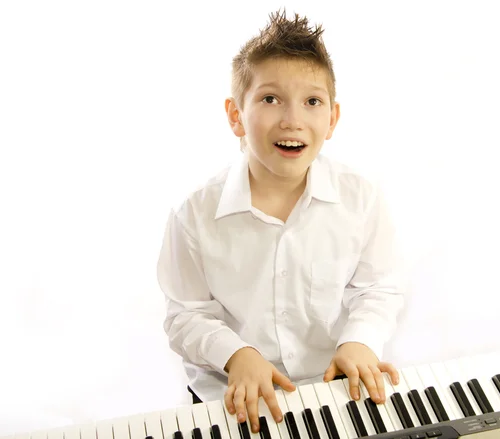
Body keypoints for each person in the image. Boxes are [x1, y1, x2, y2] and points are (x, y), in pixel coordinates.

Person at [156, 8, 404, 434]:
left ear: (332, 118)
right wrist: (236, 354)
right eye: (270, 99)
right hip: (230, 391)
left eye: (312, 101)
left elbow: (378, 287)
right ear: (236, 116)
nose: (292, 119)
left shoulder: (361, 197)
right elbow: (185, 315)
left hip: (332, 384)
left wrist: (360, 339)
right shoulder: (193, 214)